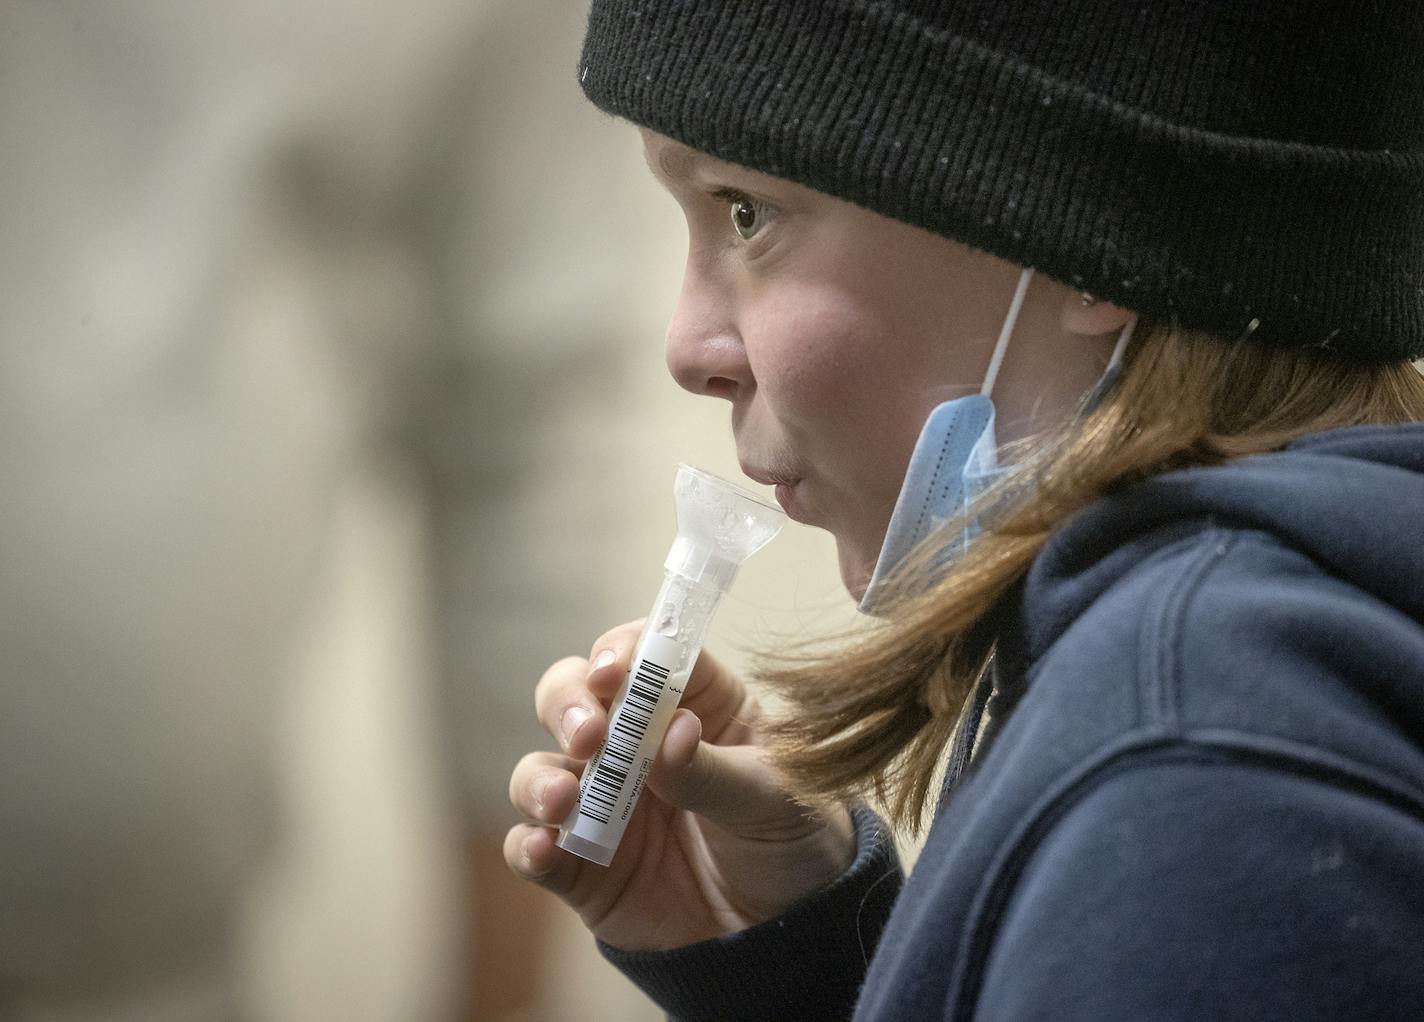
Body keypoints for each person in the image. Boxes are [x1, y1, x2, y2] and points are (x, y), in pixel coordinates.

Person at [506, 1, 1424, 1018]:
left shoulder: (1192, 788)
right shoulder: (1235, 697)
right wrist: (806, 969)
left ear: (1081, 233)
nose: (686, 348)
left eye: (743, 210)